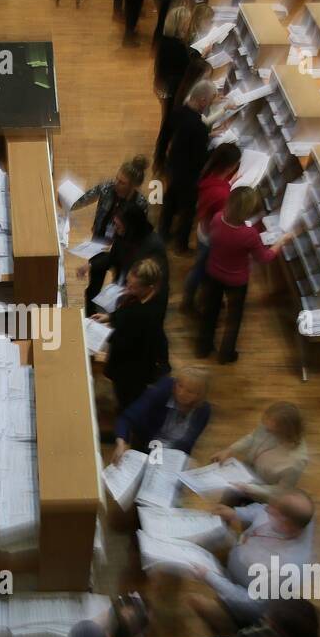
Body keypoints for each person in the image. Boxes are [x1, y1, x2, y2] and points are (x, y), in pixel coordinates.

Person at [188, 489, 317, 627]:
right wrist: (236, 513)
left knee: (194, 603)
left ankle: (228, 627)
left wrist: (210, 577)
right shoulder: (298, 517)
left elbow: (250, 603)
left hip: (238, 604)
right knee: (206, 538)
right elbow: (259, 510)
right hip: (236, 566)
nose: (266, 509)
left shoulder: (287, 568)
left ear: (288, 526)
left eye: (273, 512)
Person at [198, 187, 292, 363]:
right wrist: (281, 242)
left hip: (213, 272)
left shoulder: (218, 219)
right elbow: (265, 258)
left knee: (210, 311)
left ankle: (203, 347)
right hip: (236, 281)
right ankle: (226, 354)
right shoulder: (249, 235)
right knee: (234, 319)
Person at [71, 156, 151, 314]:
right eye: (117, 178)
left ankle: (113, 317)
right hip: (99, 245)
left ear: (133, 186)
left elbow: (139, 234)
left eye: (122, 182)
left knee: (119, 287)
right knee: (93, 287)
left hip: (124, 251)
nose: (116, 183)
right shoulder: (107, 188)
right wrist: (67, 203)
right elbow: (85, 198)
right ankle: (90, 317)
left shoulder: (140, 205)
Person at [91, 257, 170, 412]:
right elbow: (125, 311)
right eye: (128, 282)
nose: (127, 288)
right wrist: (110, 317)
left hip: (133, 366)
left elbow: (127, 341)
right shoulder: (139, 296)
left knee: (127, 397)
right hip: (125, 354)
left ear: (149, 287)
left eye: (133, 287)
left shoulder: (147, 313)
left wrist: (103, 335)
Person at [210, 402, 310, 503]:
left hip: (261, 494)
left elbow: (281, 491)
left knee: (240, 514)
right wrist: (229, 450)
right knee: (225, 503)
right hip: (244, 474)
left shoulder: (296, 462)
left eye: (271, 430)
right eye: (264, 425)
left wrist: (250, 488)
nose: (265, 430)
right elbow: (252, 438)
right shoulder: (268, 425)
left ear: (285, 431)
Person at [183, 143, 242, 314]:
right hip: (212, 238)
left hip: (204, 230)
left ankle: (192, 298)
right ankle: (189, 301)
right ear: (232, 166)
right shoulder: (222, 194)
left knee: (200, 267)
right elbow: (223, 219)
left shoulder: (208, 176)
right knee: (201, 270)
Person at [160, 79, 215, 252]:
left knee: (170, 200)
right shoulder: (198, 128)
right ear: (203, 100)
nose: (210, 104)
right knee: (188, 209)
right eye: (211, 100)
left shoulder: (178, 112)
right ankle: (181, 244)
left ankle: (163, 232)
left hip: (173, 165)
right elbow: (200, 157)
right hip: (189, 173)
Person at [111, 367, 212, 461]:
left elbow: (188, 443)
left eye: (189, 391)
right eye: (180, 386)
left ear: (199, 395)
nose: (181, 393)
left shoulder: (203, 411)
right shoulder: (160, 392)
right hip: (147, 449)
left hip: (172, 458)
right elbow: (126, 418)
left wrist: (185, 460)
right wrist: (121, 444)